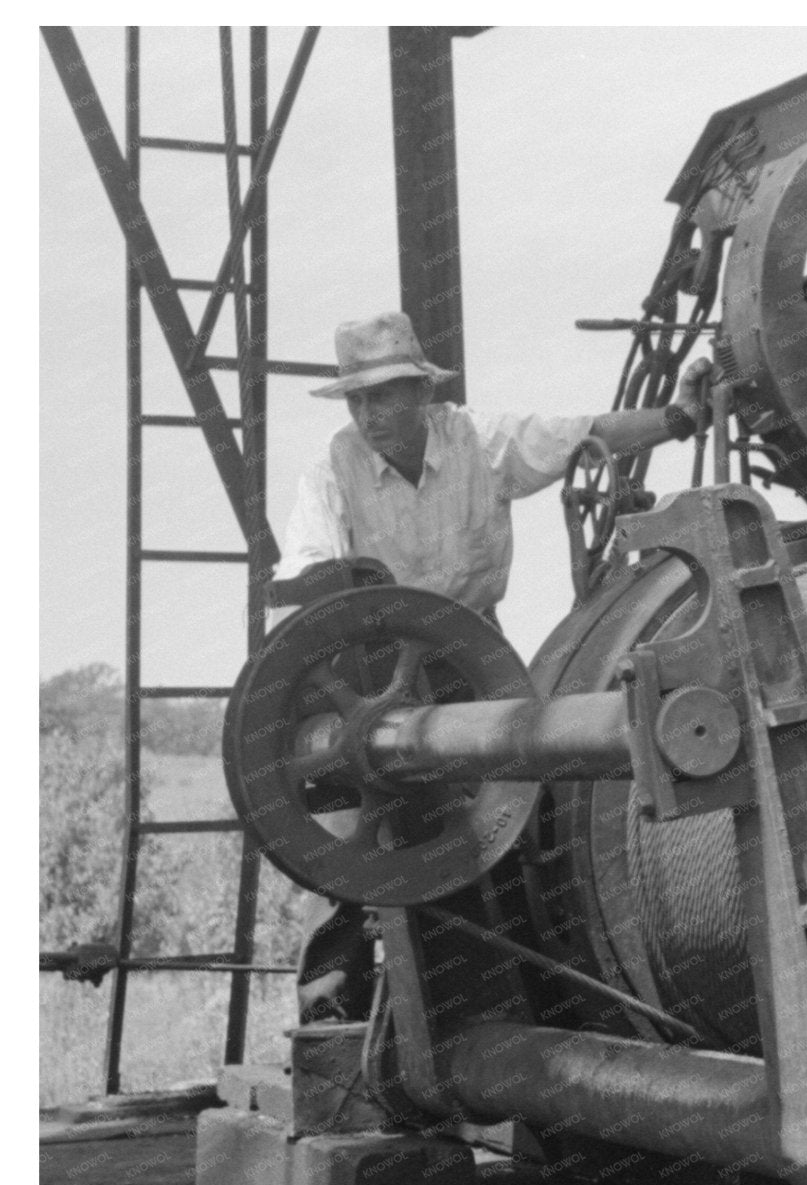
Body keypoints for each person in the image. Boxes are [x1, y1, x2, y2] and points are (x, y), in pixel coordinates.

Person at [274, 310, 709, 1022]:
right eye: (357, 399)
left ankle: (539, 1003)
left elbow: (580, 435)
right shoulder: (332, 469)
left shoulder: (480, 442)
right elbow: (306, 569)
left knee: (512, 822)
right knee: (358, 851)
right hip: (371, 671)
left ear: (422, 392)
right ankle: (334, 1015)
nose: (369, 415)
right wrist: (337, 584)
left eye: (383, 396)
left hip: (467, 659)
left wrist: (679, 419)